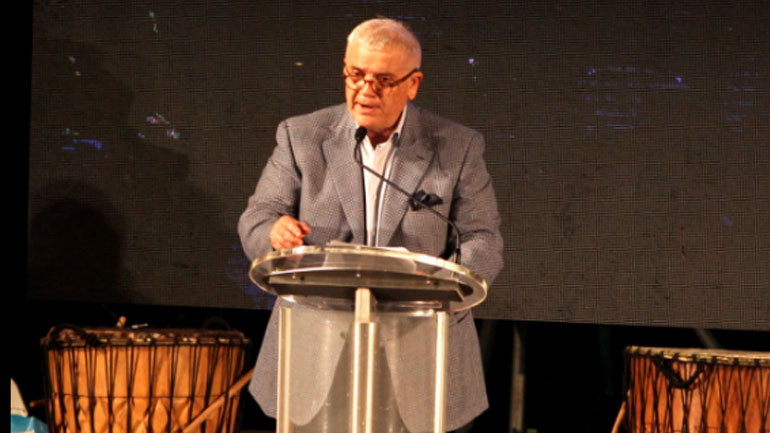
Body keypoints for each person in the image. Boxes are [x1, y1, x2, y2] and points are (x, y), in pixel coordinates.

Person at [239, 18, 503, 431]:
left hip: (420, 344)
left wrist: (441, 286)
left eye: (382, 80)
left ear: (413, 84)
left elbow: (483, 240)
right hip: (316, 343)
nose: (365, 90)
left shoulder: (457, 147)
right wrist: (275, 232)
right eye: (355, 75)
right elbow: (258, 216)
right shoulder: (301, 136)